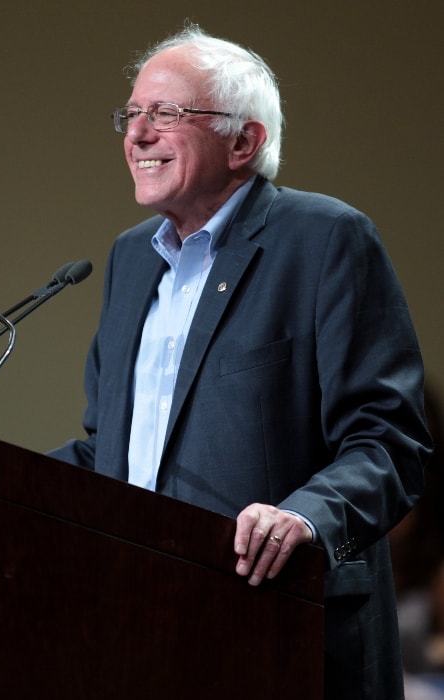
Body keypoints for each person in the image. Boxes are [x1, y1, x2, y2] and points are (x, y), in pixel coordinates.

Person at [49, 24, 432, 699]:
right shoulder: (129, 259)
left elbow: (390, 441)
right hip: (138, 628)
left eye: (164, 114)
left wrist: (306, 518)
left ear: (244, 140)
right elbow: (111, 453)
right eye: (131, 114)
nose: (136, 134)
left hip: (279, 628)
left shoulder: (324, 240)